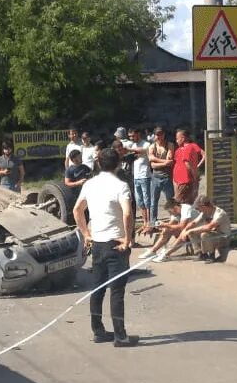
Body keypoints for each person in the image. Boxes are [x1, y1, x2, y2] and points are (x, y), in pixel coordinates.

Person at [73, 148, 138, 347]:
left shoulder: (89, 184)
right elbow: (127, 214)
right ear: (118, 164)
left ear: (99, 164)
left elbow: (77, 210)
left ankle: (98, 331)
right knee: (116, 291)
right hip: (116, 243)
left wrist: (86, 234)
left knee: (98, 288)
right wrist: (127, 239)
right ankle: (120, 336)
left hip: (98, 243)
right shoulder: (121, 186)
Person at [178, 194, 231, 263]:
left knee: (204, 234)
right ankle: (202, 254)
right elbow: (193, 223)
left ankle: (211, 255)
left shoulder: (219, 213)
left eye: (198, 208)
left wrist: (190, 230)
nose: (198, 210)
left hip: (224, 237)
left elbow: (208, 227)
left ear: (204, 206)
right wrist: (184, 231)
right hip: (214, 234)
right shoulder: (204, 212)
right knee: (191, 232)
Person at [147, 126, 176, 227]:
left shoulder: (170, 145)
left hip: (167, 177)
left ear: (164, 134)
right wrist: (165, 162)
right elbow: (152, 162)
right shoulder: (152, 146)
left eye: (161, 134)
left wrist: (156, 160)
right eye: (157, 134)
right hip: (155, 177)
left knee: (171, 200)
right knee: (153, 201)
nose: (159, 136)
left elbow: (170, 159)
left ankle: (174, 220)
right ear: (154, 135)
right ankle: (152, 222)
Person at [126, 128, 152, 232]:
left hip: (145, 175)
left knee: (147, 200)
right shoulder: (132, 145)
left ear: (138, 134)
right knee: (140, 201)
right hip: (135, 176)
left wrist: (129, 150)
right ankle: (145, 222)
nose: (131, 138)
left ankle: (149, 223)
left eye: (133, 136)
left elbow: (144, 150)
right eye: (130, 136)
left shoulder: (146, 144)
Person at [173, 129, 205, 204]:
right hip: (179, 180)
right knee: (186, 201)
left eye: (177, 138)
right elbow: (177, 164)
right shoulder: (178, 150)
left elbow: (187, 163)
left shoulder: (190, 147)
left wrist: (196, 169)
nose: (176, 141)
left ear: (183, 138)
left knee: (180, 203)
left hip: (184, 180)